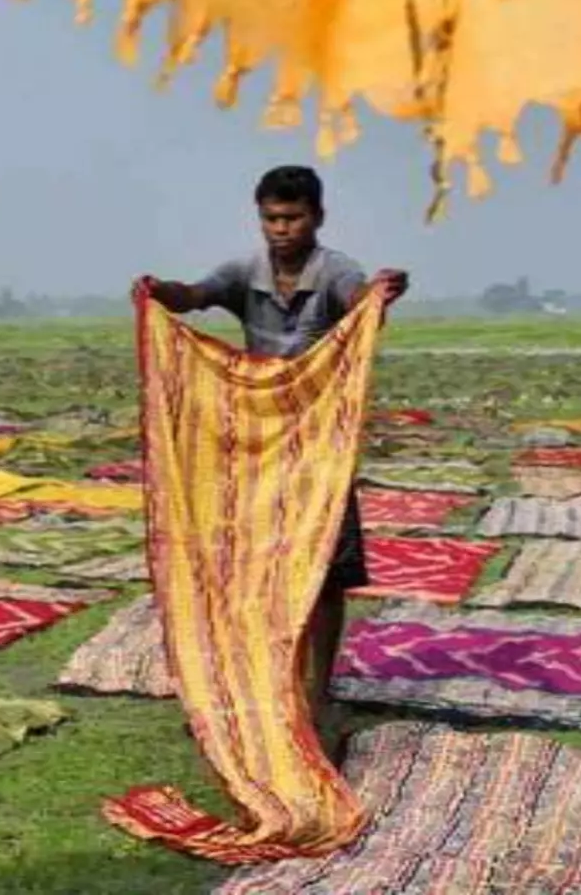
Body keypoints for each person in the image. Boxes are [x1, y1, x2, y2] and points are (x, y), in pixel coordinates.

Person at [143, 164, 408, 761]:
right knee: (257, 567)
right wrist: (162, 292)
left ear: (318, 217)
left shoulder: (335, 271)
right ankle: (265, 688)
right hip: (259, 447)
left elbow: (357, 300)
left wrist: (379, 296)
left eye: (293, 217)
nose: (281, 229)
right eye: (271, 218)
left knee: (325, 573)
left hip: (321, 446)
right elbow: (196, 296)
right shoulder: (246, 272)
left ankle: (316, 697)